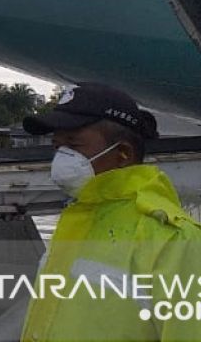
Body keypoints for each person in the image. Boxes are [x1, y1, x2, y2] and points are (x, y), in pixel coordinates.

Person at [20, 83, 201, 342]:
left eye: (74, 144)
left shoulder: (173, 241)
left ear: (123, 154)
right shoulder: (78, 219)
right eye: (57, 146)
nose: (62, 156)